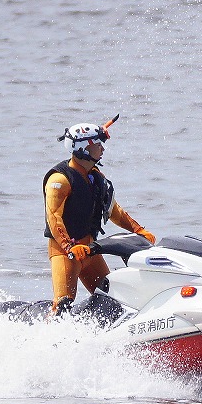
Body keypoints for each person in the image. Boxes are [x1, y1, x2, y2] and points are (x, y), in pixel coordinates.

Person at [44, 116, 155, 315]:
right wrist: (69, 246)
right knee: (62, 305)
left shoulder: (96, 177)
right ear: (82, 148)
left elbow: (112, 210)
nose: (102, 149)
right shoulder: (59, 179)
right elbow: (54, 217)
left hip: (89, 251)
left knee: (113, 299)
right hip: (66, 253)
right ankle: (46, 338)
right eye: (98, 144)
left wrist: (138, 230)